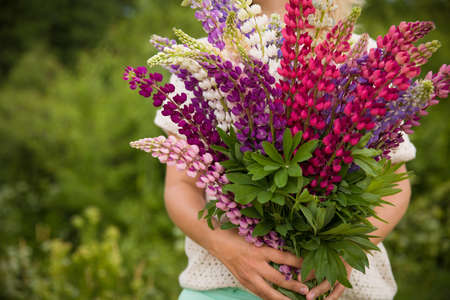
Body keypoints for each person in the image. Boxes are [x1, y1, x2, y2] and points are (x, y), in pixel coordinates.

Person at [154, 1, 417, 299]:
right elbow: (181, 186)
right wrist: (228, 249)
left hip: (339, 288)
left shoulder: (363, 55)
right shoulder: (201, 57)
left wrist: (344, 254)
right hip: (226, 286)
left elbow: (395, 185)